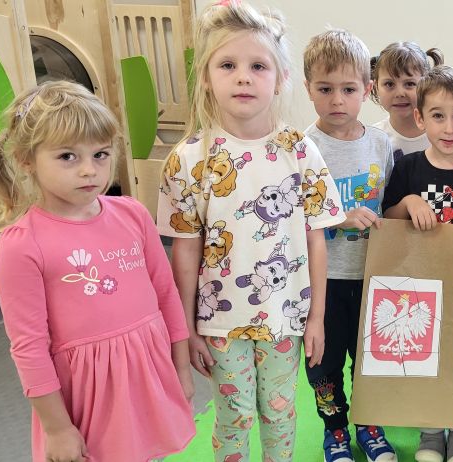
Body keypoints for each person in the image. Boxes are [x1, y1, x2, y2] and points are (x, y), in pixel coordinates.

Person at [158, 3, 344, 461]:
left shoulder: (300, 151)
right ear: (206, 77)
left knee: (279, 416)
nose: (243, 77)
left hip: (284, 315)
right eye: (227, 65)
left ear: (280, 78)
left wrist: (316, 318)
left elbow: (316, 240)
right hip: (219, 320)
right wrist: (187, 328)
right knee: (234, 417)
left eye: (258, 66)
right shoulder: (188, 159)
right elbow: (185, 250)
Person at [0, 80, 196, 462]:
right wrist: (57, 428)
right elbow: (29, 347)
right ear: (26, 159)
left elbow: (166, 294)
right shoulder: (23, 245)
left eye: (100, 154)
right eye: (68, 156)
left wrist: (180, 369)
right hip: (88, 397)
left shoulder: (133, 214)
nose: (89, 170)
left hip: (148, 376)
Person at [381, 65, 453, 462]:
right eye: (438, 116)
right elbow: (387, 218)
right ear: (420, 118)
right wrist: (409, 202)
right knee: (424, 357)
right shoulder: (408, 168)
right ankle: (430, 434)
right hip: (418, 285)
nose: (448, 127)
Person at [302, 28, 397, 462]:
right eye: (325, 89)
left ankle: (369, 424)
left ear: (367, 89)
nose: (337, 100)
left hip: (372, 275)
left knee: (371, 361)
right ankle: (335, 430)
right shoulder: (303, 147)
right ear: (309, 89)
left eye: (348, 89)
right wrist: (338, 216)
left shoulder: (380, 142)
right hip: (323, 281)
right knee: (322, 364)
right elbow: (292, 216)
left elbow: (389, 203)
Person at [370, 41, 445, 161]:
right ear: (375, 87)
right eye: (389, 84)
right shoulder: (372, 139)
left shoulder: (443, 135)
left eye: (410, 84)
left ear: (427, 85)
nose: (400, 93)